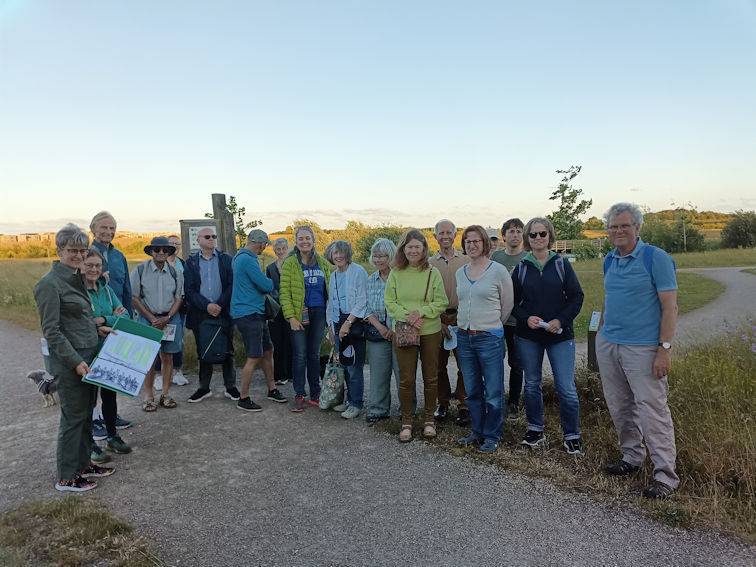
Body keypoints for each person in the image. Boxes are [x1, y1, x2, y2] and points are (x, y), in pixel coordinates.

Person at [597, 203, 680, 499]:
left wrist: (664, 350)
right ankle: (632, 457)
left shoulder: (655, 258)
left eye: (624, 225)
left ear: (638, 228)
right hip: (610, 344)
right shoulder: (609, 259)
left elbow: (670, 307)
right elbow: (609, 296)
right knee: (620, 405)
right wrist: (603, 329)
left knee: (652, 409)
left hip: (643, 348)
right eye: (613, 226)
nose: (618, 231)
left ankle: (665, 476)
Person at [34, 223, 115, 492]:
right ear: (59, 250)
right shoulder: (49, 285)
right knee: (73, 417)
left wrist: (98, 328)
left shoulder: (76, 278)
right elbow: (53, 331)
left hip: (89, 356)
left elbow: (78, 320)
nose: (79, 255)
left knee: (87, 414)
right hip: (72, 362)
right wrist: (75, 362)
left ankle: (83, 464)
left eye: (82, 250)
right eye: (73, 250)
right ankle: (67, 476)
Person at [512, 217, 584, 454]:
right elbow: (511, 303)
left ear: (550, 236)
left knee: (565, 386)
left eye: (542, 234)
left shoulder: (561, 264)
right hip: (529, 335)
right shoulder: (522, 267)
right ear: (527, 239)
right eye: (533, 235)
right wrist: (525, 318)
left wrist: (560, 320)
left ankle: (572, 434)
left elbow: (576, 297)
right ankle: (535, 429)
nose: (538, 238)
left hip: (559, 335)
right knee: (532, 384)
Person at [385, 229, 448, 442]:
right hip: (403, 331)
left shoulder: (433, 272)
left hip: (430, 330)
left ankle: (429, 420)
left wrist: (419, 313)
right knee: (406, 379)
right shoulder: (395, 272)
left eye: (417, 247)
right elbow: (390, 303)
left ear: (424, 250)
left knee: (431, 377)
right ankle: (407, 422)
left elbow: (441, 302)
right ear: (403, 249)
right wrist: (408, 316)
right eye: (409, 247)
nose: (413, 250)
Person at [455, 225, 513, 453]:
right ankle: (477, 431)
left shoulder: (497, 271)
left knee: (494, 390)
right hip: (464, 338)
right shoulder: (461, 272)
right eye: (468, 241)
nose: (472, 245)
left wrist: (492, 326)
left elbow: (507, 304)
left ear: (485, 243)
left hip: (489, 337)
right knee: (472, 389)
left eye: (476, 241)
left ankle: (492, 434)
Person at [230, 230, 288, 411]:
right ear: (259, 242)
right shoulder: (247, 259)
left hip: (254, 312)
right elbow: (266, 285)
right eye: (265, 245)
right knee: (254, 355)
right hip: (249, 313)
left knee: (268, 350)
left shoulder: (240, 257)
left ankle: (272, 389)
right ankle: (244, 397)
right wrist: (268, 282)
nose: (265, 248)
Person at [83, 248, 131, 460]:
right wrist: (111, 316)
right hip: (88, 350)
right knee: (88, 400)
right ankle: (90, 444)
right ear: (81, 267)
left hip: (109, 350)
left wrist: (102, 320)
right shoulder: (79, 292)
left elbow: (126, 316)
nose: (94, 269)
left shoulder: (107, 290)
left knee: (109, 395)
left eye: (98, 265)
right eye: (89, 265)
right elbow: (82, 322)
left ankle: (112, 436)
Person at [88, 211, 132, 437]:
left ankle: (110, 416)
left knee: (111, 372)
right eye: (104, 227)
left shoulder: (119, 256)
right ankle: (95, 419)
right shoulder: (87, 255)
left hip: (117, 319)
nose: (109, 232)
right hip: (93, 327)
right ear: (93, 229)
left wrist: (128, 319)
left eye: (112, 228)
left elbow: (126, 290)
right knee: (92, 377)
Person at [184, 227, 240, 404]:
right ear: (198, 240)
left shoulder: (226, 260)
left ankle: (230, 387)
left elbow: (232, 285)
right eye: (207, 236)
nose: (211, 239)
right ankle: (203, 387)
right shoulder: (191, 262)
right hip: (201, 313)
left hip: (223, 312)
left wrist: (219, 305)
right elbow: (189, 290)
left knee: (228, 350)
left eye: (214, 236)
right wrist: (207, 306)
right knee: (204, 350)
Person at [280, 226, 333, 412]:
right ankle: (299, 394)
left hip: (319, 312)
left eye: (307, 238)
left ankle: (316, 392)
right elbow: (284, 293)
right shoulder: (290, 263)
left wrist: (330, 317)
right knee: (300, 354)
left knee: (314, 354)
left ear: (313, 241)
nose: (304, 242)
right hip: (298, 313)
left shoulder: (322, 262)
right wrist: (291, 317)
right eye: (301, 239)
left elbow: (329, 291)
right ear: (296, 242)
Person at [130, 236, 184, 412]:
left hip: (169, 319)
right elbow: (134, 298)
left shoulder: (176, 273)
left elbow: (179, 298)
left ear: (169, 252)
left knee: (168, 356)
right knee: (149, 359)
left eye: (164, 250)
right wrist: (152, 319)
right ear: (151, 251)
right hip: (147, 319)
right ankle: (149, 396)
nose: (161, 253)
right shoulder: (139, 270)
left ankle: (166, 394)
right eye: (157, 249)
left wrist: (168, 317)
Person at [429, 219, 470, 426]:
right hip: (439, 318)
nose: (445, 236)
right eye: (441, 233)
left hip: (462, 316)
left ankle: (464, 405)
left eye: (449, 232)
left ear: (455, 235)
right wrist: (438, 321)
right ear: (435, 236)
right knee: (438, 366)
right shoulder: (429, 263)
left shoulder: (465, 260)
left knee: (465, 365)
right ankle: (442, 403)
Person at [325, 240, 368, 419]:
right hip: (338, 322)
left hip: (354, 323)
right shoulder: (334, 275)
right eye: (335, 253)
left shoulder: (358, 271)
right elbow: (331, 302)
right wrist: (331, 328)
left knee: (354, 367)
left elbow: (362, 300)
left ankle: (356, 403)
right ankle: (347, 400)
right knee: (343, 364)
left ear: (347, 253)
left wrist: (348, 323)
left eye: (341, 252)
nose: (338, 256)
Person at [491, 218, 528, 418]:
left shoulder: (527, 258)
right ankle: (494, 398)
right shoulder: (495, 257)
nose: (515, 235)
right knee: (494, 360)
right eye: (511, 231)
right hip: (495, 318)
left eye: (518, 231)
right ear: (503, 235)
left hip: (517, 320)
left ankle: (513, 401)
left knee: (516, 362)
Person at [364, 238, 401, 422]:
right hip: (378, 332)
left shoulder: (400, 276)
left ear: (391, 256)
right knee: (378, 373)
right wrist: (380, 327)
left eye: (382, 256)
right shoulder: (371, 280)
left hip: (400, 331)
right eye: (375, 256)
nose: (378, 260)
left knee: (403, 372)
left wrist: (393, 327)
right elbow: (367, 308)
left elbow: (405, 304)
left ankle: (406, 410)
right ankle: (379, 409)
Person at [266, 238, 292, 386]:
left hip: (291, 311)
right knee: (276, 342)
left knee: (290, 342)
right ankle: (278, 374)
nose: (281, 252)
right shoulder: (270, 268)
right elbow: (268, 291)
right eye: (278, 249)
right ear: (275, 251)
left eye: (284, 249)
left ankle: (290, 373)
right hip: (275, 311)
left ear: (288, 250)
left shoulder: (293, 265)